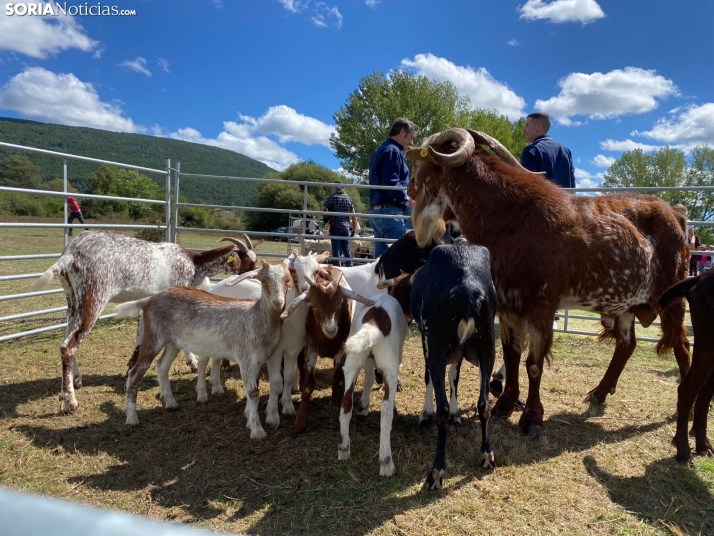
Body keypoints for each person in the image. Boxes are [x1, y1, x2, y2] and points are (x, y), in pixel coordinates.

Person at [368, 118, 419, 258]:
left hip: (377, 212)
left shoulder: (380, 149)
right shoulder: (394, 151)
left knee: (379, 263)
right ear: (402, 132)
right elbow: (391, 182)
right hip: (390, 213)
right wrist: (409, 200)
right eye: (411, 138)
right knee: (399, 259)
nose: (411, 143)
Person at [520, 112, 576, 189]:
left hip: (542, 201)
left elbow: (527, 187)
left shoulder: (531, 151)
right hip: (566, 200)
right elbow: (572, 187)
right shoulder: (566, 151)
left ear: (538, 127)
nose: (524, 130)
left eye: (527, 125)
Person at [321, 185, 357, 267]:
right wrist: (354, 229)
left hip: (336, 226)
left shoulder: (332, 197)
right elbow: (354, 215)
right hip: (346, 228)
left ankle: (337, 267)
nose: (331, 189)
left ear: (335, 188)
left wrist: (326, 217)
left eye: (332, 187)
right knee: (346, 248)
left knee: (336, 249)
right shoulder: (348, 198)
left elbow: (322, 209)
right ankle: (350, 266)